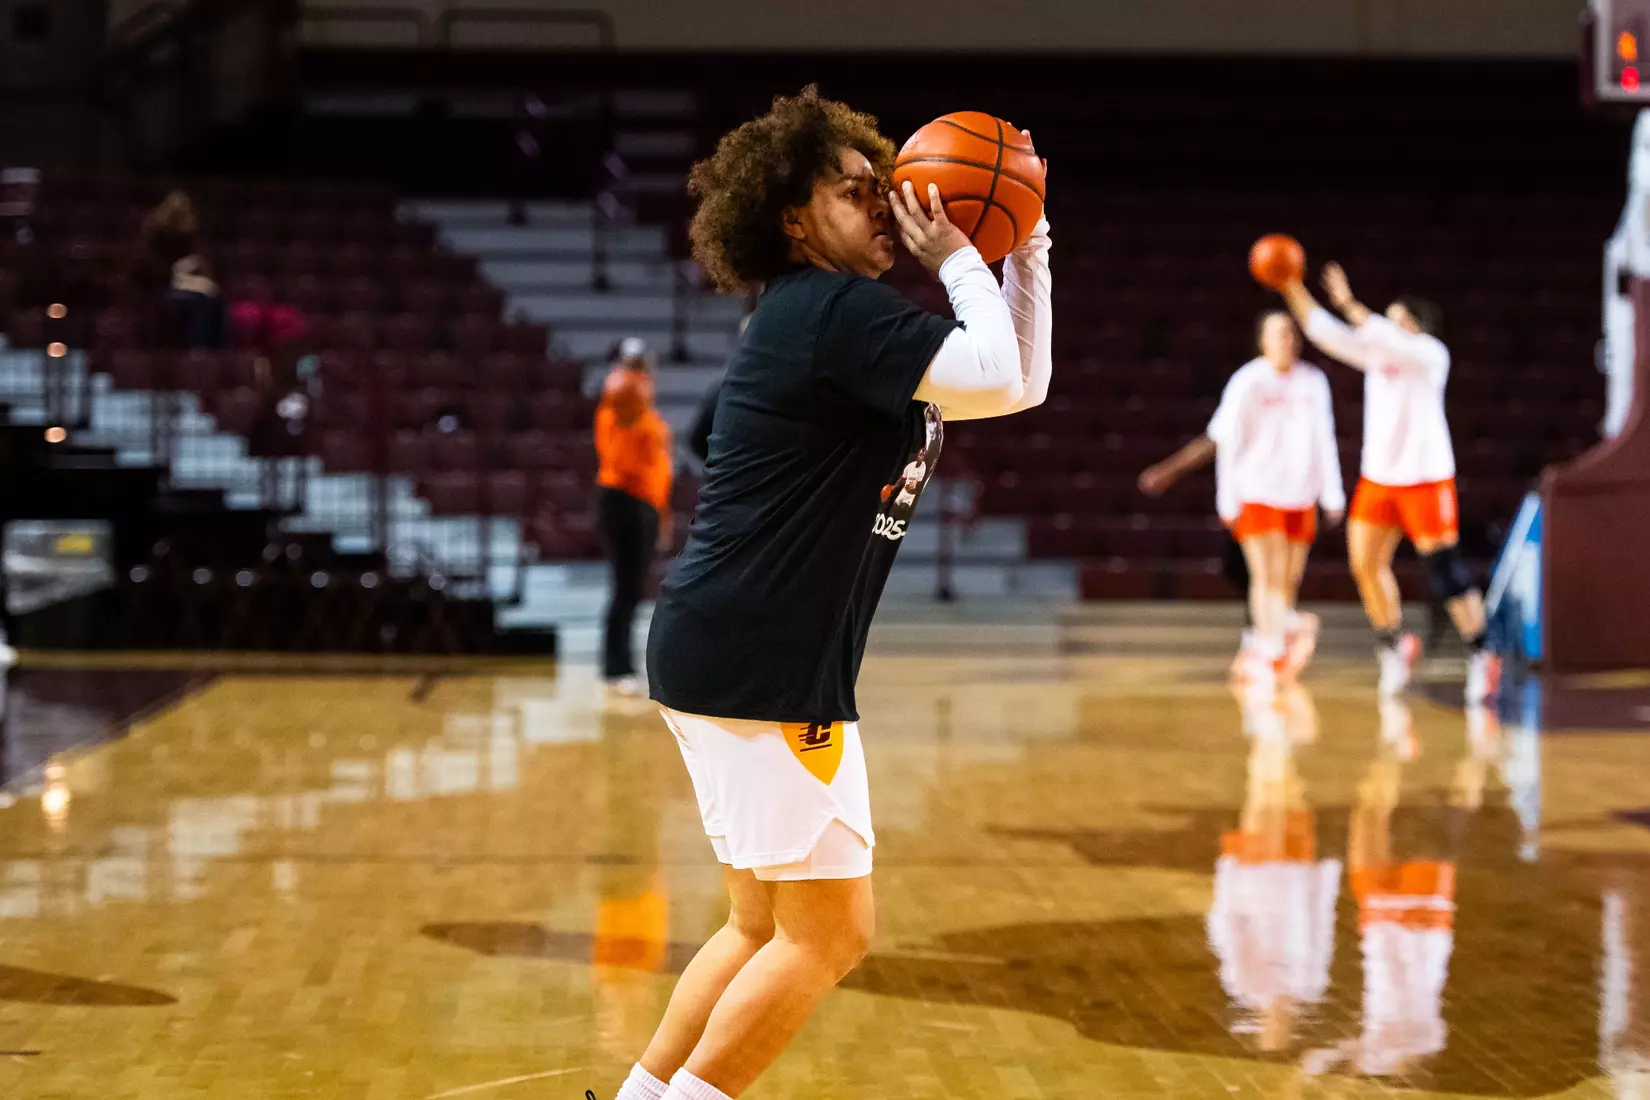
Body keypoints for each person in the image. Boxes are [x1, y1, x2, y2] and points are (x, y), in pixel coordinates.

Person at [617, 86, 1052, 1100]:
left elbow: (1016, 380)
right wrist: (960, 261)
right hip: (764, 664)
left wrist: (1024, 242)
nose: (890, 207)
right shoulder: (829, 311)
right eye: (860, 191)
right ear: (794, 216)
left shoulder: (822, 314)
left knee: (759, 926)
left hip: (727, 648)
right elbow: (989, 371)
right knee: (832, 933)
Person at [1277, 264, 1501, 703]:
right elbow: (1324, 331)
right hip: (1380, 477)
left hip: (1425, 478)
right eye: (1390, 319)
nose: (1389, 328)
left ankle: (1481, 654)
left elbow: (1379, 333)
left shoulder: (1431, 355)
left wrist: (1348, 304)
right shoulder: (1378, 356)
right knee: (1364, 565)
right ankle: (1395, 645)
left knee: (1445, 571)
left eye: (1401, 321)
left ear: (1420, 329)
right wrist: (1291, 286)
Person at [1141, 312, 1344, 689]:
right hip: (1258, 491)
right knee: (1264, 578)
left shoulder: (1313, 382)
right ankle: (1271, 648)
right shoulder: (1248, 381)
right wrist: (1228, 500)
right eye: (1278, 333)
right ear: (1262, 341)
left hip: (1300, 495)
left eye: (1291, 333)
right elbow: (1226, 441)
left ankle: (1276, 639)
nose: (1286, 340)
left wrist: (1332, 494)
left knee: (1287, 581)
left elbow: (1324, 439)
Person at [594, 337, 674, 697]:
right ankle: (615, 666)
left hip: (643, 504)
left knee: (631, 588)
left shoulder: (646, 414)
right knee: (625, 587)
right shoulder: (623, 400)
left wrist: (662, 516)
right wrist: (628, 372)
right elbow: (618, 387)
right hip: (624, 498)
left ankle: (620, 664)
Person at [132, 190, 224, 350]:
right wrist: (175, 272)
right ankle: (198, 349)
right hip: (159, 288)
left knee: (215, 295)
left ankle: (215, 351)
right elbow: (145, 270)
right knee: (199, 302)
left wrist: (198, 272)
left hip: (185, 283)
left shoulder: (189, 236)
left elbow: (199, 261)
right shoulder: (154, 237)